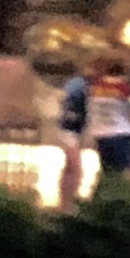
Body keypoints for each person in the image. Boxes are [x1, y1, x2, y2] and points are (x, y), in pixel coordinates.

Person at [87, 53, 130, 177]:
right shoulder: (124, 89)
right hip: (123, 132)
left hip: (101, 134)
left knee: (108, 172)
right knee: (126, 172)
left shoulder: (94, 87)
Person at [57, 71, 88, 214]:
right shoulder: (78, 83)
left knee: (70, 167)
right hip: (69, 129)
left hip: (73, 129)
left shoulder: (78, 83)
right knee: (75, 168)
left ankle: (66, 204)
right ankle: (67, 204)